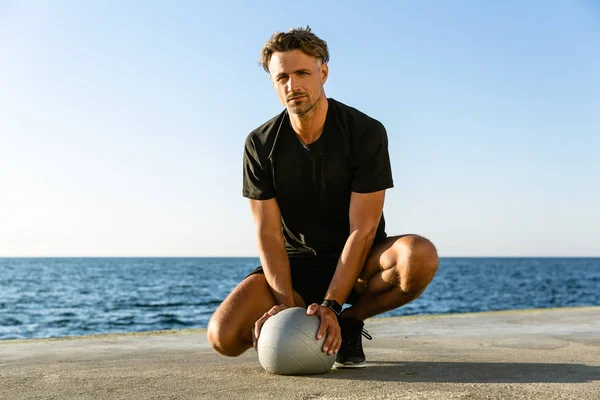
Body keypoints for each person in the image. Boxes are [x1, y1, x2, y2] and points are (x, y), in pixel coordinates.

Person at [207, 26, 439, 368]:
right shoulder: (259, 144)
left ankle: (350, 322)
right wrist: (286, 305)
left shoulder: (364, 132)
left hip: (359, 261)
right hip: (295, 265)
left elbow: (363, 228)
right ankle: (310, 318)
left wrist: (333, 305)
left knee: (419, 257)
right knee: (222, 337)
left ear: (323, 72)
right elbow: (267, 231)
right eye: (282, 77)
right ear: (272, 82)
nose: (292, 85)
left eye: (302, 73)